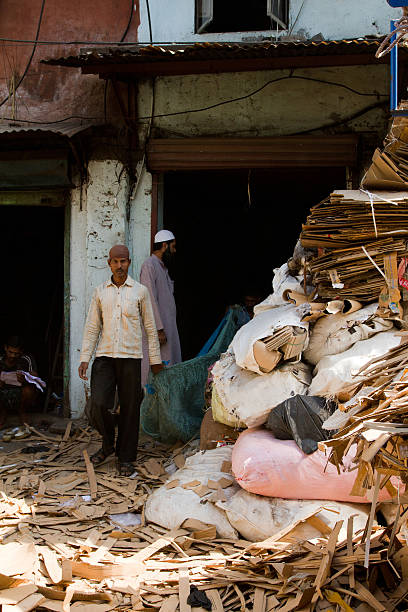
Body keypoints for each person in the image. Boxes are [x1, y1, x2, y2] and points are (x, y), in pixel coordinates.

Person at [78, 244, 163, 476]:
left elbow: (150, 327)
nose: (119, 266)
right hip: (104, 356)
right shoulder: (100, 292)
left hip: (130, 358)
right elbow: (92, 327)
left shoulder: (140, 291)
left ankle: (126, 458)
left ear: (129, 262)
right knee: (98, 403)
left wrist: (155, 359)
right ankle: (108, 443)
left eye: (123, 261)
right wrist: (85, 357)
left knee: (130, 408)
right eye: (115, 262)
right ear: (109, 263)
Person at [140, 229, 182, 386]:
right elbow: (149, 299)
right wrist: (158, 329)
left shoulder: (163, 268)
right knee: (154, 373)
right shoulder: (149, 266)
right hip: (158, 333)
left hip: (167, 331)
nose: (175, 250)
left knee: (168, 370)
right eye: (173, 246)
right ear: (165, 246)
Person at [0, 336, 38, 432]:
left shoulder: (26, 358)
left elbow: (35, 377)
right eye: (10, 352)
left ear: (21, 352)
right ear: (5, 348)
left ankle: (22, 411)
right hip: (3, 389)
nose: (13, 356)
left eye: (16, 353)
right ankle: (2, 413)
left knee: (29, 390)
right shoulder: (0, 358)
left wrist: (25, 379)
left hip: (20, 390)